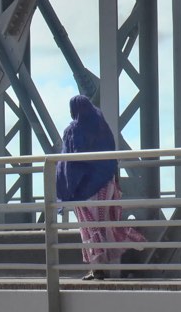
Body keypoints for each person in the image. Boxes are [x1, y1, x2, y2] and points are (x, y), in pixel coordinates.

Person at [56, 95, 145, 280]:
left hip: (86, 190)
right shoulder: (101, 125)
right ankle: (129, 241)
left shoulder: (74, 129)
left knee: (89, 228)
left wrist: (66, 190)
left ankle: (97, 269)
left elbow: (69, 163)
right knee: (105, 226)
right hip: (107, 184)